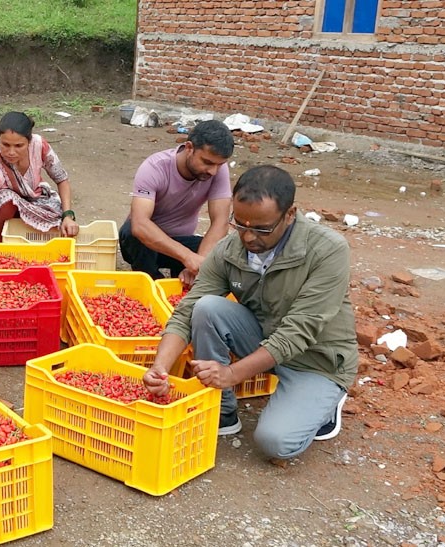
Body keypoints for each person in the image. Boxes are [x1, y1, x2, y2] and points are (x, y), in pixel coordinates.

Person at [142, 165, 358, 462]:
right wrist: (160, 368)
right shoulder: (229, 250)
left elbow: (297, 332)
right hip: (263, 338)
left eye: (261, 228)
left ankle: (327, 401)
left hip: (315, 359)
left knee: (275, 443)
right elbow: (188, 310)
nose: (248, 237)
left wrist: (231, 373)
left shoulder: (327, 250)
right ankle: (224, 413)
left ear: (290, 214)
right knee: (206, 308)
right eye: (239, 224)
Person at [119, 119, 234, 284]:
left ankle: (185, 280)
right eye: (207, 162)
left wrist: (199, 262)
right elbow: (140, 224)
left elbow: (220, 221)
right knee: (132, 231)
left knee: (220, 248)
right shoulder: (155, 167)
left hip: (181, 241)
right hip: (145, 245)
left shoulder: (218, 171)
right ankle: (151, 283)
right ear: (189, 148)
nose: (213, 171)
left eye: (219, 164)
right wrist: (187, 257)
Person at [0, 111, 78, 263]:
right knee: (6, 200)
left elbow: (62, 179)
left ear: (29, 141)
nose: (11, 152)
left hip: (30, 198)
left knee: (58, 221)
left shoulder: (39, 146)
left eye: (19, 146)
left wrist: (67, 216)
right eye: (5, 145)